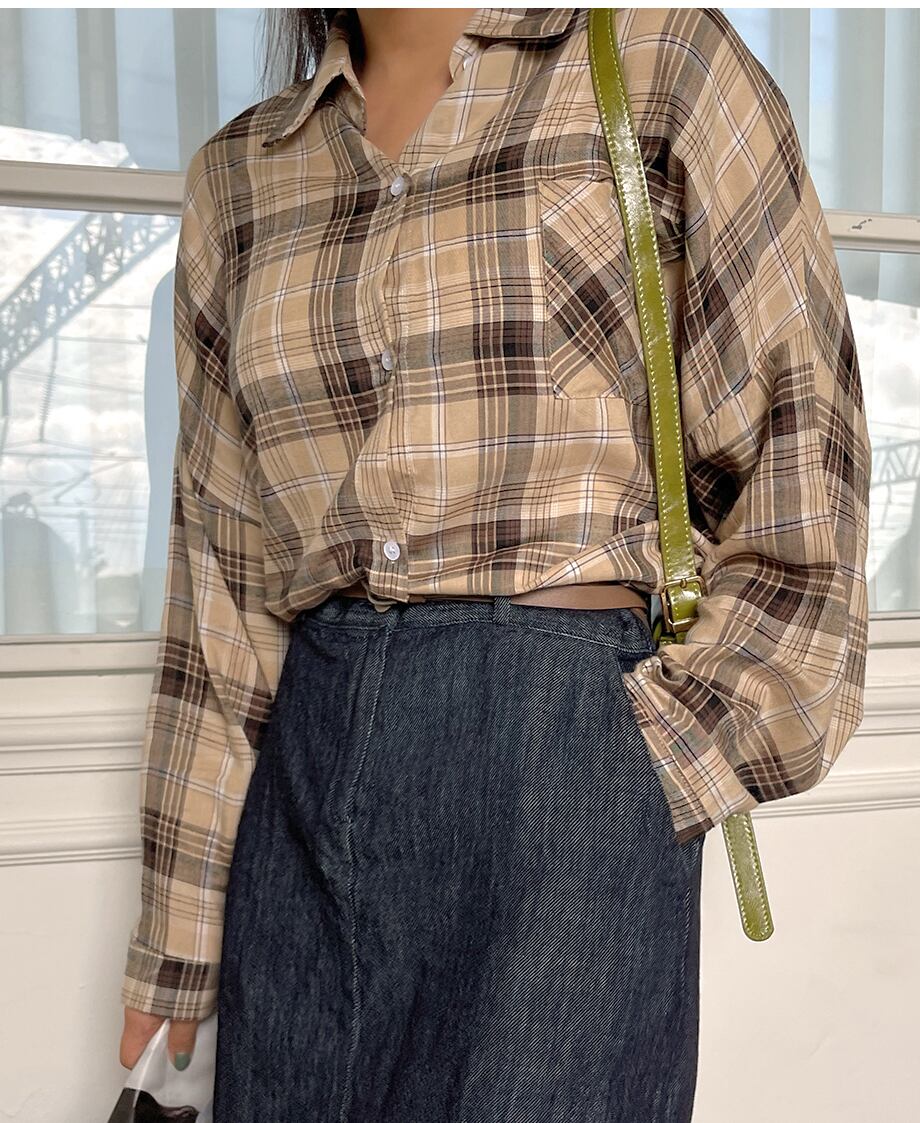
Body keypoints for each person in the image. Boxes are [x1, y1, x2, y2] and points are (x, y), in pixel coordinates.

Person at [118, 8, 872, 1122]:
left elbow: (801, 445)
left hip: (557, 764)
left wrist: (653, 766)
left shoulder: (655, 57)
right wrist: (178, 932)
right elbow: (220, 585)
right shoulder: (240, 174)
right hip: (305, 780)